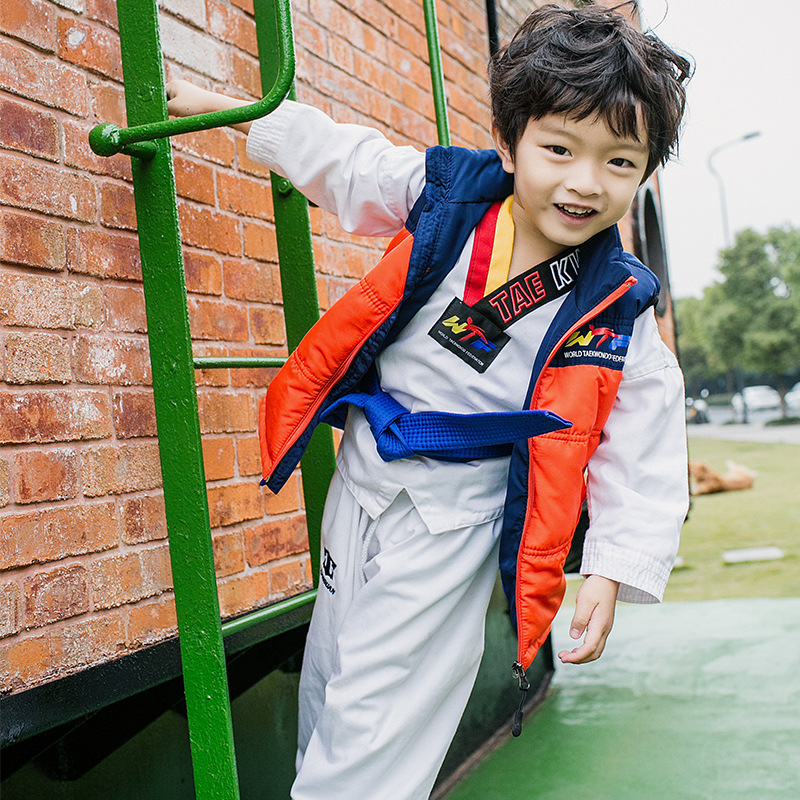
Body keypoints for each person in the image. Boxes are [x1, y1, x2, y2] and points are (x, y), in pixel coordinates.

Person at [167, 4, 691, 798]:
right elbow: (348, 161)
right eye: (559, 149)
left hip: (456, 519)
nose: (585, 183)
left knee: (381, 724)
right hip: (366, 474)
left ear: (644, 172)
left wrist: (610, 572)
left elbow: (643, 449)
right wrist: (245, 119)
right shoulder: (447, 198)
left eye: (619, 163)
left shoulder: (618, 308)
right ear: (510, 145)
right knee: (331, 679)